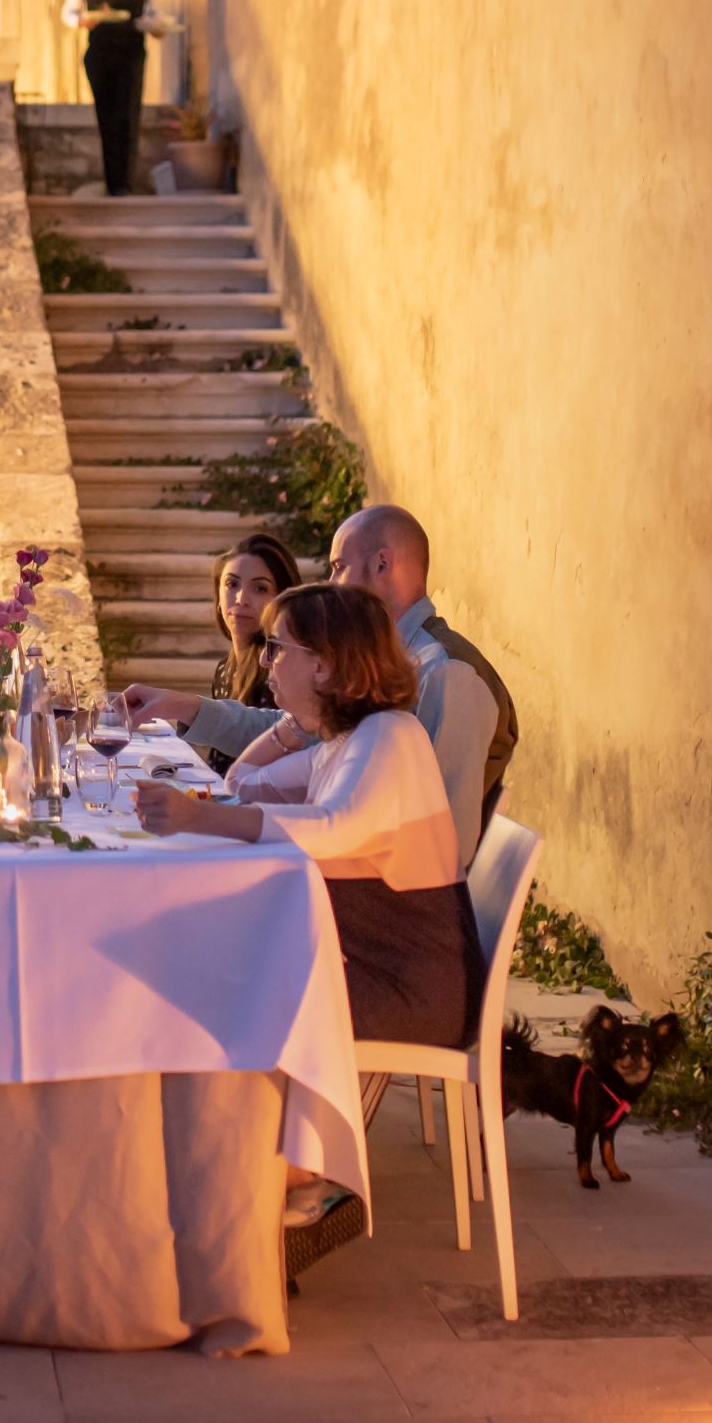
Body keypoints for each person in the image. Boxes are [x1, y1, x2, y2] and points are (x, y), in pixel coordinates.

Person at [132, 583, 482, 1227]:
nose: (264, 662)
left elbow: (331, 828)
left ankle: (292, 1185)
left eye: (276, 648)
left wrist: (193, 819)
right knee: (222, 977)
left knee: (238, 997)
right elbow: (242, 784)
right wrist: (296, 722)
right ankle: (258, 1181)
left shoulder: (391, 738)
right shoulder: (349, 741)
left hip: (414, 991)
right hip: (366, 969)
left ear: (324, 664)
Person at [122, 505, 516, 871]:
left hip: (390, 909)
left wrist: (205, 816)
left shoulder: (446, 671)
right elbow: (284, 751)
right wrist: (186, 706)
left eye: (338, 567)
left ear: (382, 564)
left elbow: (448, 842)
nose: (330, 583)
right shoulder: (372, 665)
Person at [59, 0, 170, 195]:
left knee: (129, 114)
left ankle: (125, 184)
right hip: (100, 51)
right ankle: (112, 181)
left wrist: (156, 26)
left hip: (132, 49)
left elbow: (153, 12)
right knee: (106, 115)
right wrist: (82, 21)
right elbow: (68, 12)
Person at [197, 533, 303, 775]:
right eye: (232, 584)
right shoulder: (225, 669)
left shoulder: (280, 669)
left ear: (281, 600)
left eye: (259, 588)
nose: (242, 599)